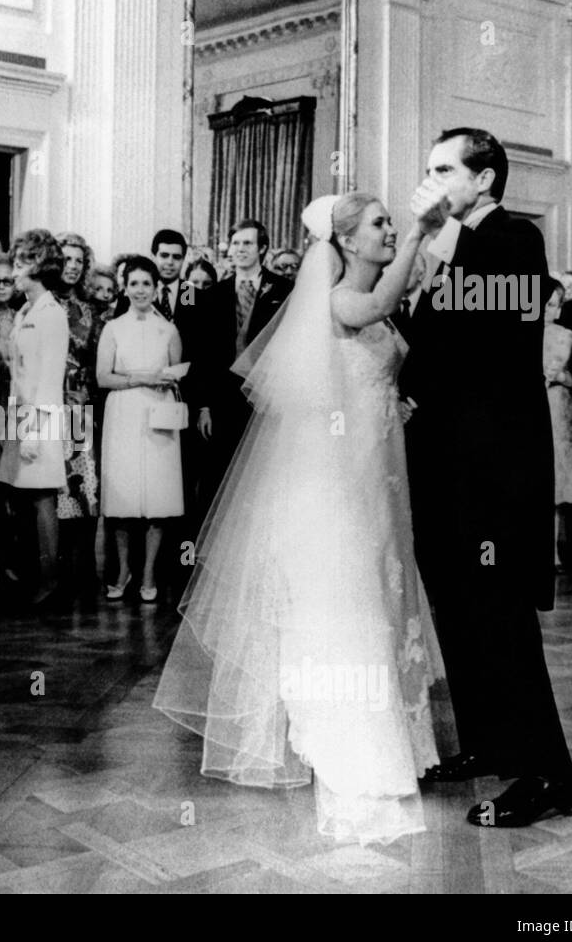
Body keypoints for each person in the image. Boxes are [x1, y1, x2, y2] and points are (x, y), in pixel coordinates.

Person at [155, 192, 443, 844]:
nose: (390, 231)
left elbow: (380, 359)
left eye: (392, 225)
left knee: (384, 591)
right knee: (350, 605)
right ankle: (352, 743)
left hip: (378, 474)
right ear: (344, 242)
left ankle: (396, 735)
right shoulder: (343, 299)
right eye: (380, 225)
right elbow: (378, 306)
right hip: (338, 481)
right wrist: (422, 235)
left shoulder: (363, 308)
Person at [403, 127, 572, 827]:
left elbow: (493, 321)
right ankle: (489, 741)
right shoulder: (453, 245)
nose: (431, 181)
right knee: (459, 608)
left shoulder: (513, 238)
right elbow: (432, 344)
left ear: (483, 180)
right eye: (428, 169)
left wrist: (437, 239)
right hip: (449, 464)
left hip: (495, 468)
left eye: (443, 169)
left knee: (500, 616)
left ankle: (550, 774)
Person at [190, 219, 293, 519]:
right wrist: (205, 406)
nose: (240, 249)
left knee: (261, 477)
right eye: (235, 243)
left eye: (247, 243)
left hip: (264, 399)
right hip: (221, 400)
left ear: (262, 248)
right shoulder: (213, 294)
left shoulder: (285, 289)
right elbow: (203, 356)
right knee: (217, 478)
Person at [98, 256, 183, 603]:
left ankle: (149, 572)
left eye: (146, 283)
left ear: (155, 287)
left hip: (158, 414)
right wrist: (141, 378)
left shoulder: (169, 329)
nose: (140, 290)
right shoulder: (113, 328)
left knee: (158, 496)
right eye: (134, 284)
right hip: (123, 413)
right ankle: (123, 571)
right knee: (123, 496)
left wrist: (167, 383)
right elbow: (104, 377)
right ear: (125, 287)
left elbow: (178, 375)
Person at [0, 231, 69, 606]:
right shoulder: (26, 309)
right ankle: (32, 575)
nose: (14, 271)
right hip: (19, 413)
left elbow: (49, 377)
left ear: (40, 268)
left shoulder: (52, 315)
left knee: (43, 497)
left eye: (22, 263)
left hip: (40, 416)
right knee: (23, 496)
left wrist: (36, 432)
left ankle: (50, 580)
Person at [53, 232, 99, 601]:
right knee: (51, 488)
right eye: (66, 259)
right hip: (47, 402)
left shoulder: (87, 309)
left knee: (83, 484)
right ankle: (54, 572)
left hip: (80, 404)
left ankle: (82, 571)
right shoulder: (39, 302)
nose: (72, 266)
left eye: (78, 261)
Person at [543, 280, 572, 569]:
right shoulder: (514, 335)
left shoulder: (568, 337)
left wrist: (562, 377)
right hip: (525, 413)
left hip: (558, 411)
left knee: (555, 486)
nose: (548, 310)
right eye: (543, 304)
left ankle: (553, 553)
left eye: (553, 305)